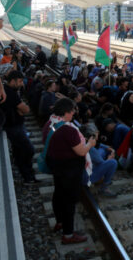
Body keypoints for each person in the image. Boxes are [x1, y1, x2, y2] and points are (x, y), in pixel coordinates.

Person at [46, 98, 96, 244]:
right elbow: (81, 151)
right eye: (72, 110)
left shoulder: (52, 122)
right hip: (69, 170)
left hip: (57, 166)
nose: (74, 113)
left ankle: (60, 222)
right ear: (66, 112)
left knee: (58, 194)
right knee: (69, 202)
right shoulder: (68, 130)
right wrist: (90, 143)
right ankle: (68, 235)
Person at [0, 70, 35, 183]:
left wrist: (20, 109)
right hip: (14, 127)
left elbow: (22, 109)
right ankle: (27, 175)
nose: (21, 84)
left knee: (19, 150)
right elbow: (26, 109)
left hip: (15, 125)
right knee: (29, 150)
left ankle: (27, 175)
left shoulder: (9, 90)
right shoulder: (9, 92)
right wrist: (21, 109)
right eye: (20, 81)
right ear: (12, 81)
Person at [81, 124, 117, 197]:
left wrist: (105, 147)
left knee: (102, 151)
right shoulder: (91, 149)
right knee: (113, 163)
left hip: (80, 174)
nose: (97, 139)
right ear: (91, 138)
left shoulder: (82, 143)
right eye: (95, 138)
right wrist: (109, 159)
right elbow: (102, 164)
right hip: (85, 178)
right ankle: (104, 188)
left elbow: (98, 145)